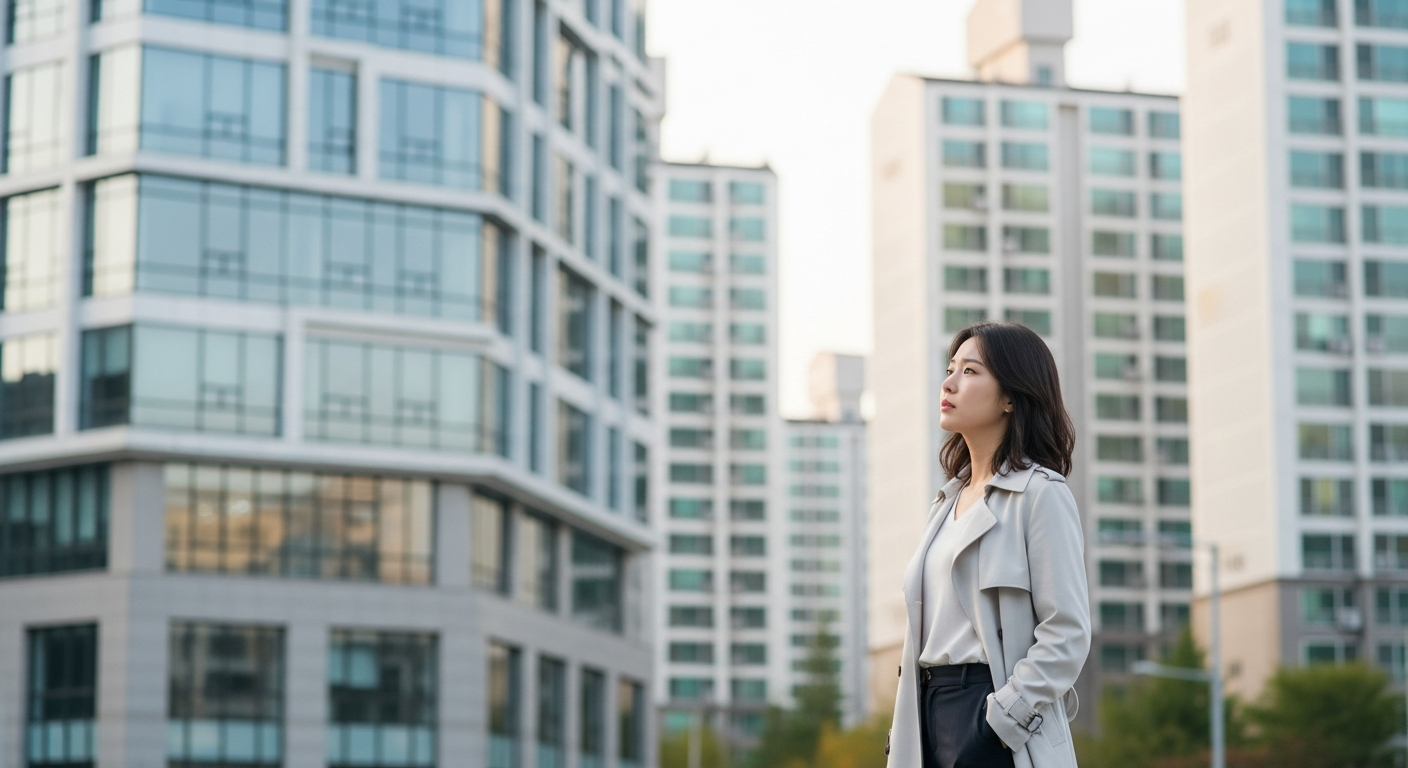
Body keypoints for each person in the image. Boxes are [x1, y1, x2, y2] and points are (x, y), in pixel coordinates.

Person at [886, 322, 1090, 768]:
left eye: (971, 371)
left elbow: (1067, 634)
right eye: (950, 369)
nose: (949, 382)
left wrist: (999, 723)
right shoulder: (944, 504)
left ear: (1012, 397)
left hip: (993, 717)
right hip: (926, 717)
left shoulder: (1040, 494)